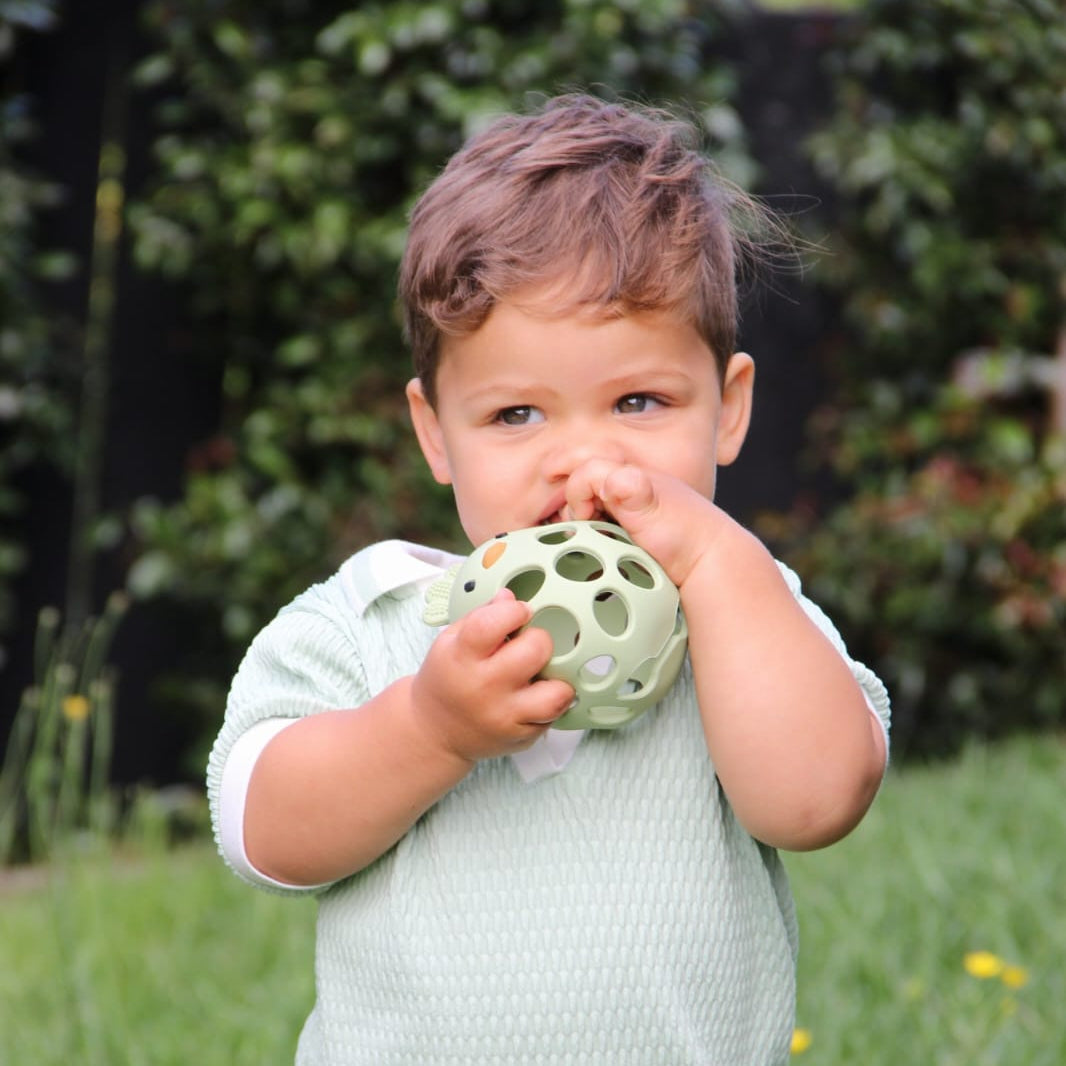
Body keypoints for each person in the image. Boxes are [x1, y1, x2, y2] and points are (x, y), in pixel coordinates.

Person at [207, 93, 890, 1065]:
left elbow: (817, 799)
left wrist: (719, 566)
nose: (579, 461)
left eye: (638, 400)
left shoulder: (743, 610)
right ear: (435, 431)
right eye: (517, 415)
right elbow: (262, 831)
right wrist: (427, 728)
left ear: (727, 409)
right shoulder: (377, 615)